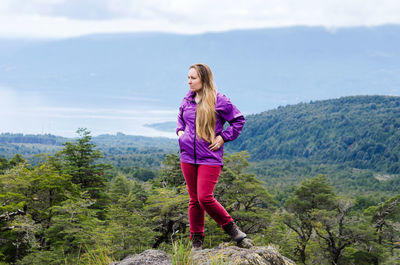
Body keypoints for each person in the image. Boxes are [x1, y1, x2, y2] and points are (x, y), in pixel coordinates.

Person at [176, 63, 252, 250]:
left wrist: (223, 137)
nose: (189, 82)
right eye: (188, 78)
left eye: (193, 78)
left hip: (209, 157)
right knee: (194, 200)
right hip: (187, 157)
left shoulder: (219, 100)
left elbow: (238, 120)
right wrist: (180, 133)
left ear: (204, 79)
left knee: (205, 197)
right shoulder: (187, 99)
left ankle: (234, 231)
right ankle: (196, 243)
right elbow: (180, 117)